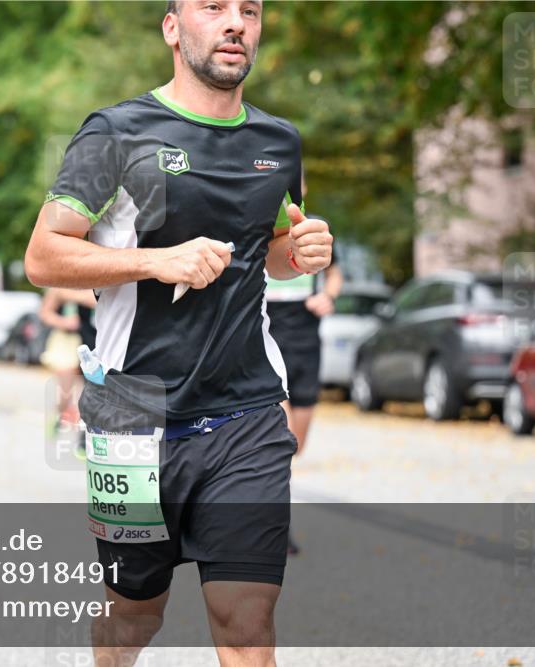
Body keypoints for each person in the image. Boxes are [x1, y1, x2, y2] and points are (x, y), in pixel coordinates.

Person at [23, 1, 334, 665]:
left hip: (245, 415)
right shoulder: (116, 131)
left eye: (249, 10)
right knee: (135, 614)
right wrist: (154, 260)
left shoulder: (279, 143)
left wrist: (302, 252)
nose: (235, 23)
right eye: (213, 7)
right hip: (132, 416)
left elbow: (274, 251)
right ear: (172, 27)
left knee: (246, 619)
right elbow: (43, 255)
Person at [266, 178, 344, 454]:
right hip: (267, 328)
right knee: (279, 430)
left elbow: (334, 273)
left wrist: (328, 297)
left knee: (297, 445)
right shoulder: (256, 221)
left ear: (305, 188)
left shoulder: (315, 229)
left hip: (305, 330)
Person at [39, 288, 97, 457]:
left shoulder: (94, 283)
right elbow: (45, 313)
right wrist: (63, 322)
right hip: (66, 343)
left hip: (91, 342)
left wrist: (71, 294)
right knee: (65, 393)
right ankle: (59, 415)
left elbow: (96, 300)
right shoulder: (58, 286)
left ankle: (83, 441)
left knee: (89, 393)